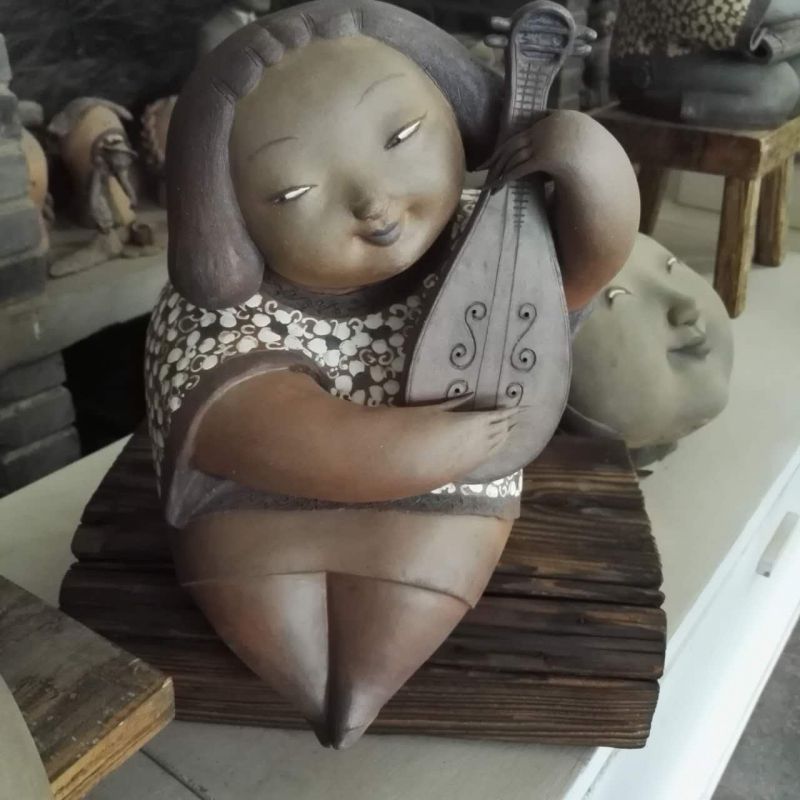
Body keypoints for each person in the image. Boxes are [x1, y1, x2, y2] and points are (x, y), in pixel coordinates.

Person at [146, 0, 638, 748]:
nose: (372, 204)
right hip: (259, 508)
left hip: (443, 504)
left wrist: (588, 163)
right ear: (230, 215)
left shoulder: (487, 228)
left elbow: (576, 274)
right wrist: (419, 449)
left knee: (406, 598)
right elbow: (249, 423)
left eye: (402, 136)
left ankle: (358, 691)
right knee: (274, 607)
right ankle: (319, 689)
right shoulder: (217, 313)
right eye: (293, 194)